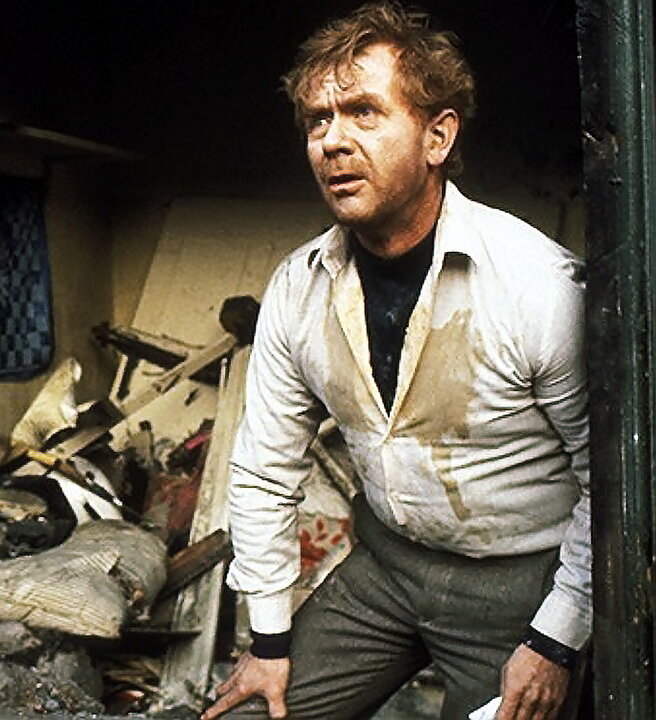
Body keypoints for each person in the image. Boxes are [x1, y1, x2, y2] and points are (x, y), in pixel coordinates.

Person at [202, 3, 589, 720]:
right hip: (386, 566)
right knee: (253, 712)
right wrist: (268, 640)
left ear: (438, 135)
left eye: (363, 112)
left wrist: (557, 640)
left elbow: (616, 488)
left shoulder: (537, 285)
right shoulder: (299, 286)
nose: (332, 141)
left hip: (523, 583)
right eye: (317, 120)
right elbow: (264, 467)